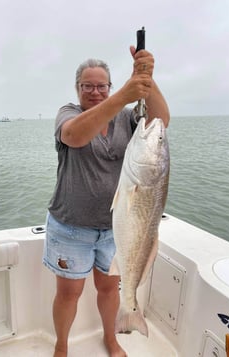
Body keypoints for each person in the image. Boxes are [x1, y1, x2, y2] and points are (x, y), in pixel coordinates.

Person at [43, 45, 170, 357]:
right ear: (78, 88)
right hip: (71, 226)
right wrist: (123, 96)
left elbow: (161, 122)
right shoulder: (68, 114)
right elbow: (74, 136)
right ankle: (61, 346)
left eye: (102, 86)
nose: (95, 91)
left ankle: (112, 338)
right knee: (69, 292)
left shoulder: (128, 120)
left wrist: (146, 78)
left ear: (111, 86)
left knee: (109, 288)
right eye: (88, 85)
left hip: (116, 227)